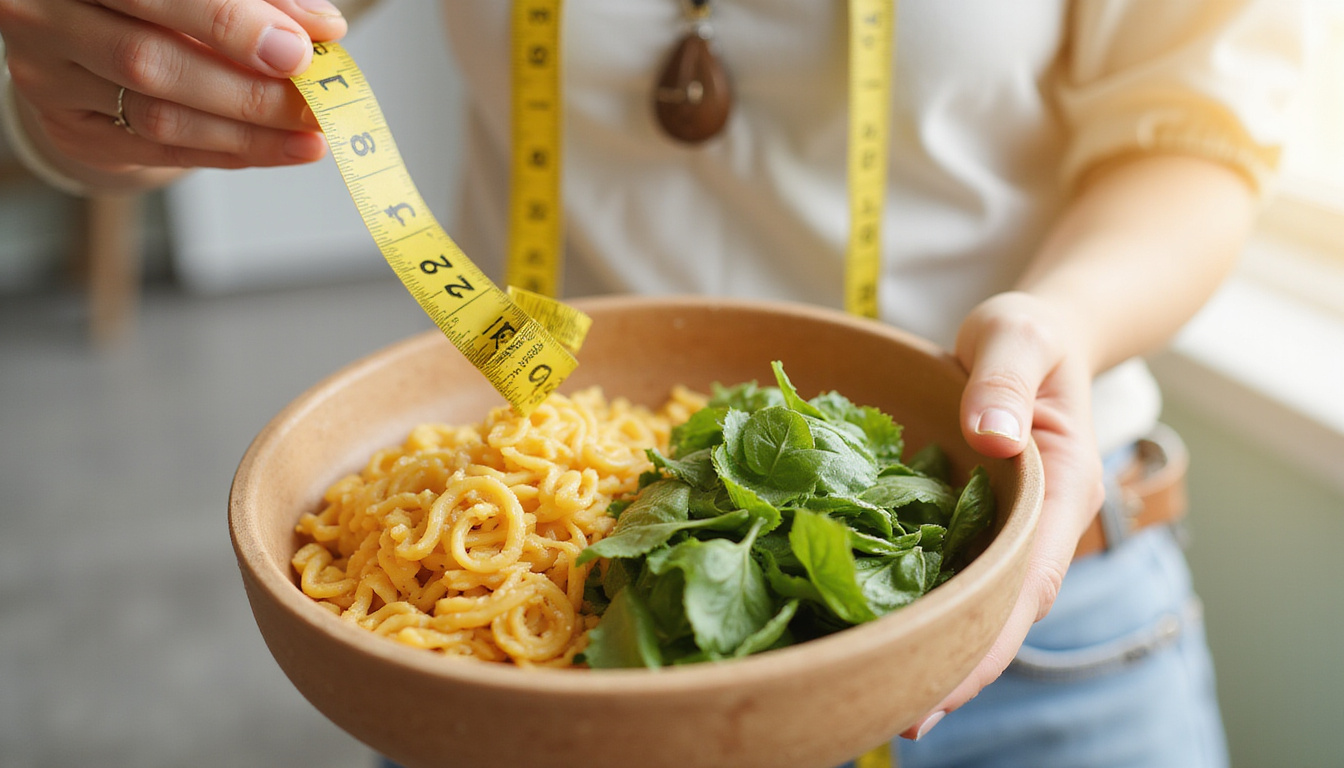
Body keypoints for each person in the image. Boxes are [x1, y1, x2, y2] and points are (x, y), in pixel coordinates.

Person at [0, 1, 1304, 765]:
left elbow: (1194, 131)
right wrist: (118, 88)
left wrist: (1057, 323)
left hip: (1044, 619)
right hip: (568, 623)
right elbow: (217, 45)